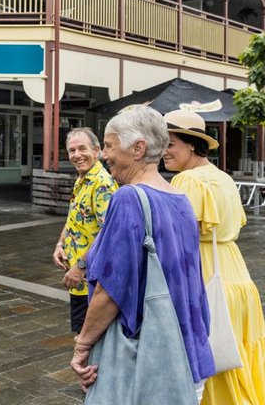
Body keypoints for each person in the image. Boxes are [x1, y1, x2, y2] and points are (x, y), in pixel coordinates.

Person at [70, 106, 215, 401]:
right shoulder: (180, 198)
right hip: (187, 353)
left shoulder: (128, 198)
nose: (104, 155)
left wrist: (82, 344)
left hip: (146, 360)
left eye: (109, 146)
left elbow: (111, 290)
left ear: (138, 148)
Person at [162, 109, 265, 405]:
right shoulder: (224, 178)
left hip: (206, 278)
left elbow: (178, 240)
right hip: (238, 278)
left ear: (192, 145)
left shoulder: (188, 181)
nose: (163, 152)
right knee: (239, 358)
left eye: (170, 144)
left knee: (212, 366)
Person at [52, 128, 117, 333]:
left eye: (82, 148)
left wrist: (80, 266)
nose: (77, 155)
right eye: (72, 150)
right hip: (79, 281)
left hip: (92, 281)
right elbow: (74, 218)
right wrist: (60, 244)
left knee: (89, 343)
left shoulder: (101, 184)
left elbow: (110, 234)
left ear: (97, 150)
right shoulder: (83, 178)